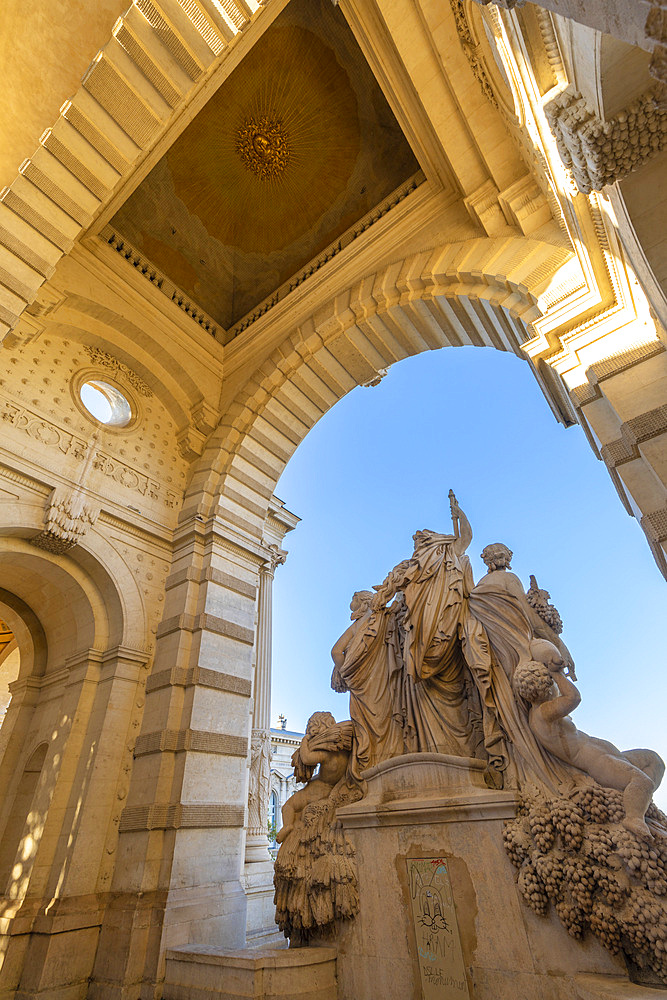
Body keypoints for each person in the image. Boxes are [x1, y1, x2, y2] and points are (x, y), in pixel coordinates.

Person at [514, 656, 665, 840]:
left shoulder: (544, 712)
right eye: (551, 682)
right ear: (544, 686)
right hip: (598, 764)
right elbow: (573, 698)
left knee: (653, 760)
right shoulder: (543, 713)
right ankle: (634, 818)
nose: (555, 685)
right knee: (643, 782)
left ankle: (640, 800)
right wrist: (557, 673)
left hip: (609, 755)